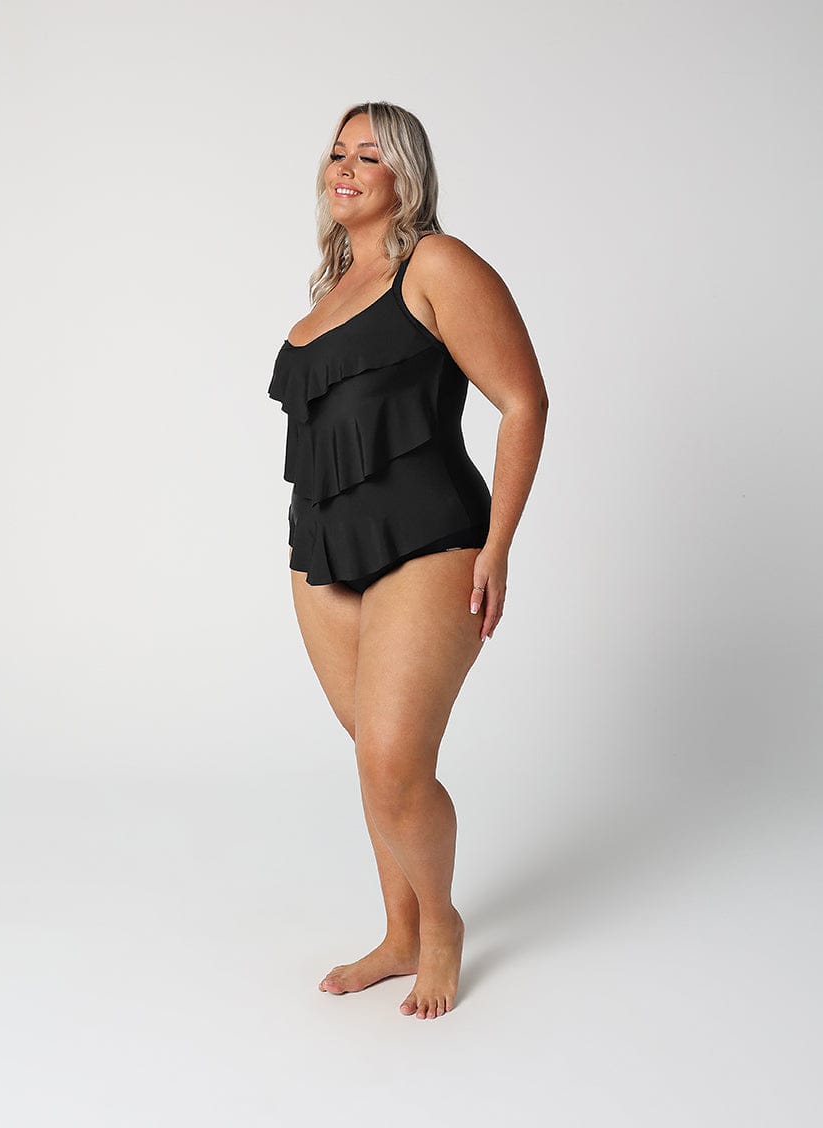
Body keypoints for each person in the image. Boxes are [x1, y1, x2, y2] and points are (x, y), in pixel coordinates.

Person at [267, 102, 549, 1019]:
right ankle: (396, 933)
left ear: (406, 176)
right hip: (323, 550)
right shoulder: (328, 292)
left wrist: (499, 544)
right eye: (337, 152)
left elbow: (521, 400)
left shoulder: (438, 264)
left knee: (395, 761)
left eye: (369, 155)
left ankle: (440, 926)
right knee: (374, 763)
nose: (344, 167)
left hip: (430, 538)